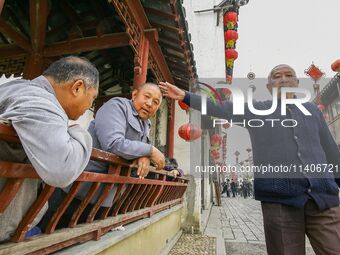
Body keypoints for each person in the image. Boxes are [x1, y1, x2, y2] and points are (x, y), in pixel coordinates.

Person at [159, 64, 340, 255]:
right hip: (279, 201)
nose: (284, 79)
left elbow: (330, 151)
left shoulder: (312, 111)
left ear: (296, 83)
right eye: (277, 76)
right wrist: (186, 96)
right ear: (269, 87)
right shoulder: (258, 110)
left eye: (289, 75)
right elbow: (222, 108)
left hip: (323, 199)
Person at [39, 83, 166, 229]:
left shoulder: (146, 124)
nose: (149, 104)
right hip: (76, 189)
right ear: (134, 94)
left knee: (82, 243)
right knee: (47, 232)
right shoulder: (117, 107)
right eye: (147, 96)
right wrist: (150, 150)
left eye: (155, 102)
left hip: (104, 197)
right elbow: (113, 143)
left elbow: (134, 150)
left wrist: (143, 155)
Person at [0, 56, 99, 241]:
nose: (89, 107)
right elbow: (62, 169)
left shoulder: (12, 89)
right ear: (77, 87)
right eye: (92, 99)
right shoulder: (40, 102)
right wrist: (80, 132)